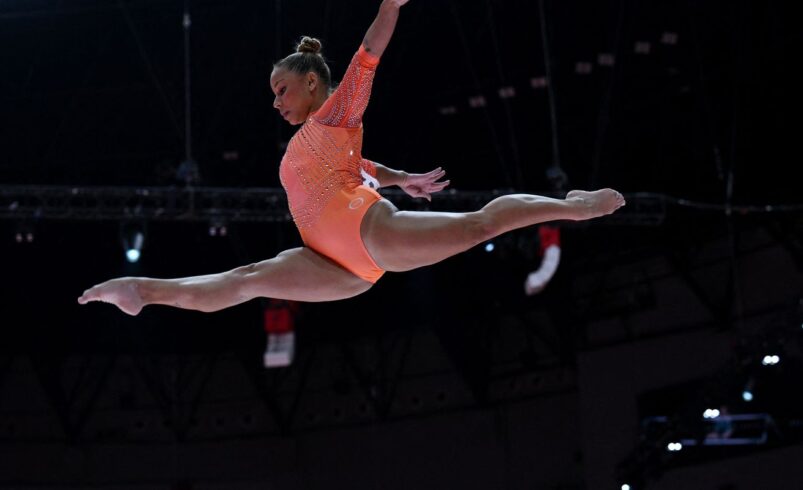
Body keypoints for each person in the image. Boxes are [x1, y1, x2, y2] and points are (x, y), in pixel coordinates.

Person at [78, 0, 625, 316]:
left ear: (312, 83)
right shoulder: (315, 141)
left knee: (479, 225)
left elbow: (369, 54)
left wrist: (389, 6)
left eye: (281, 90)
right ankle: (141, 291)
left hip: (365, 232)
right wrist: (399, 176)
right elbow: (357, 165)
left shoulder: (335, 113)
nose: (275, 102)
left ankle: (574, 207)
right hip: (335, 266)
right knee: (246, 279)